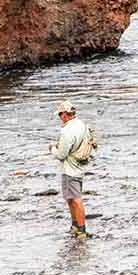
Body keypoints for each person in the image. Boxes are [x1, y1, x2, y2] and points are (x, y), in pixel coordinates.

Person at [48, 100, 93, 240]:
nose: (60, 118)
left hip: (70, 169)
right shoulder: (82, 125)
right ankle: (75, 226)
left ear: (65, 115)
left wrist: (52, 148)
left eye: (60, 115)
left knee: (75, 199)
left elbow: (61, 155)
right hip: (80, 166)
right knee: (71, 198)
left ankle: (81, 230)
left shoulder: (67, 130)